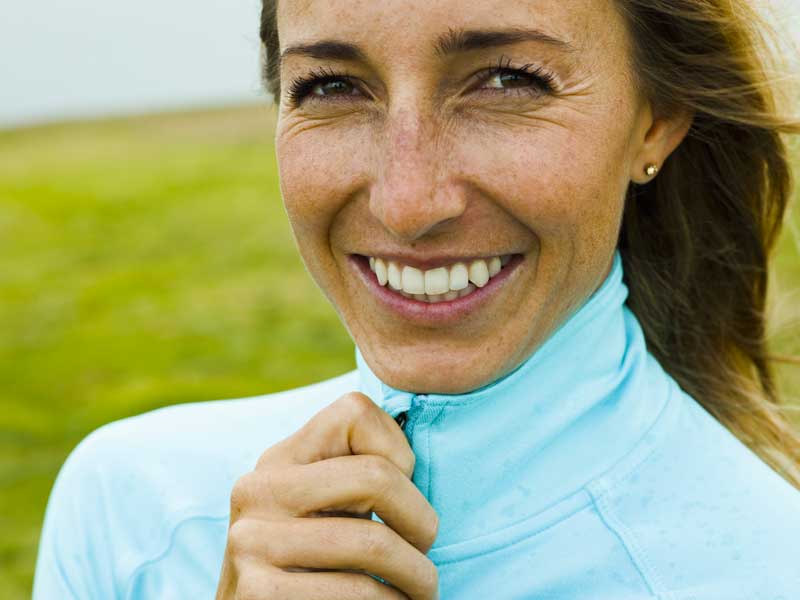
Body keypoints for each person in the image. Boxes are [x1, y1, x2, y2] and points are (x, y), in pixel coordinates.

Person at [33, 0, 800, 598]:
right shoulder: (134, 513)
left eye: (506, 79)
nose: (407, 202)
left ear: (655, 121)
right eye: (331, 86)